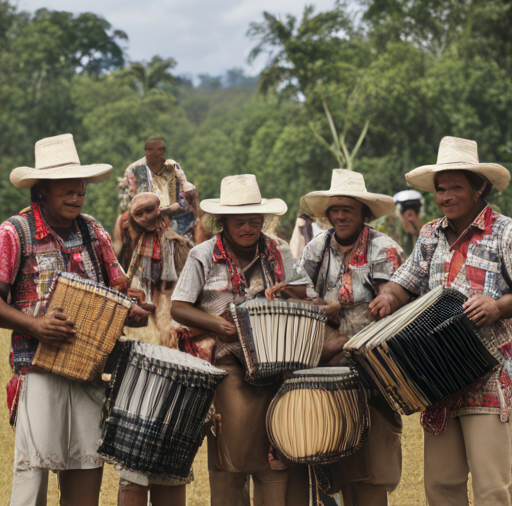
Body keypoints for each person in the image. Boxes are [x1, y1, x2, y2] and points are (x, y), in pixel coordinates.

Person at [1, 134, 147, 506]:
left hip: (89, 369)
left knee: (85, 469)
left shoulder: (93, 230)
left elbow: (119, 290)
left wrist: (133, 307)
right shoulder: (13, 233)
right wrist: (35, 325)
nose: (77, 195)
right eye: (67, 189)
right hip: (38, 369)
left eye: (80, 188)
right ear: (42, 191)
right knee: (32, 476)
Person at [370, 136, 512, 506]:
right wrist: (387, 299)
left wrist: (497, 307)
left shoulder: (505, 233)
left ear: (479, 187)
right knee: (441, 486)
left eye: (455, 187)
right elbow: (406, 282)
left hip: (489, 376)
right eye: (440, 189)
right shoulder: (430, 233)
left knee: (492, 487)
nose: (446, 196)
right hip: (438, 378)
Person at [269, 169, 405, 506]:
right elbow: (306, 295)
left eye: (348, 209)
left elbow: (389, 304)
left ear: (363, 213)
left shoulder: (383, 248)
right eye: (335, 209)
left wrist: (339, 314)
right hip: (325, 358)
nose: (341, 215)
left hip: (371, 363)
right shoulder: (317, 246)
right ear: (327, 214)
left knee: (370, 467)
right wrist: (300, 300)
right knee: (324, 451)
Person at [171, 174, 293, 506]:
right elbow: (179, 307)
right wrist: (218, 325)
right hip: (227, 367)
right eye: (241, 222)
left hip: (278, 365)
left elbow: (300, 295)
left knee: (279, 456)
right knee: (231, 461)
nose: (249, 228)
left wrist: (289, 296)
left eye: (256, 221)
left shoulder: (279, 251)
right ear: (223, 221)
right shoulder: (203, 255)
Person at [121, 192, 192, 347]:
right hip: (147, 289)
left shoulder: (174, 242)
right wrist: (125, 283)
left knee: (169, 332)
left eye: (149, 211)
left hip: (170, 293)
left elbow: (186, 274)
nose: (145, 218)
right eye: (139, 214)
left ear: (158, 210)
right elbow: (133, 265)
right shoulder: (142, 242)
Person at [115, 136, 197, 268]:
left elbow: (183, 195)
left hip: (171, 215)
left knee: (189, 239)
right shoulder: (133, 169)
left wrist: (166, 209)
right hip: (140, 213)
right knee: (122, 229)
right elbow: (127, 198)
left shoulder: (172, 166)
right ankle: (116, 267)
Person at [376, 190, 424, 255]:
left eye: (415, 209)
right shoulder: (386, 233)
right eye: (404, 209)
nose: (410, 216)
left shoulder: (425, 232)